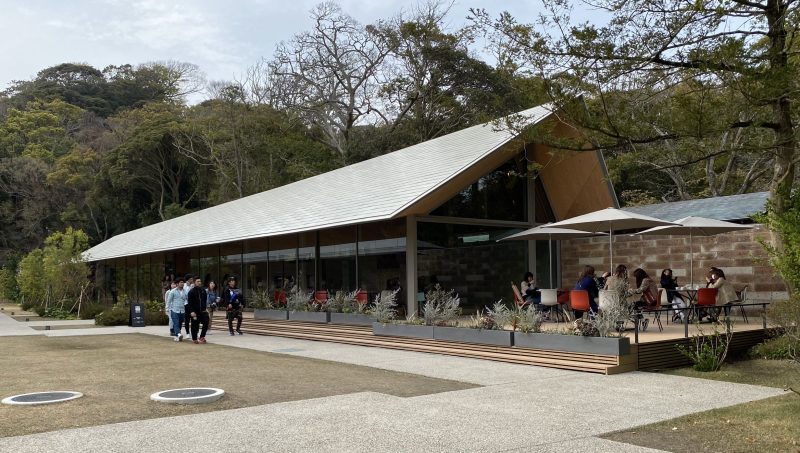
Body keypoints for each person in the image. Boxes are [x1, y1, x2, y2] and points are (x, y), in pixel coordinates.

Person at [187, 277, 209, 344]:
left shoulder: (203, 291)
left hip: (203, 311)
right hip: (195, 312)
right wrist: (192, 311)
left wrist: (205, 308)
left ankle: (202, 337)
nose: (199, 282)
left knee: (206, 321)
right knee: (195, 325)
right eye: (197, 281)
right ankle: (194, 338)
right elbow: (190, 303)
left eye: (200, 281)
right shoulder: (191, 292)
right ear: (194, 282)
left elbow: (205, 301)